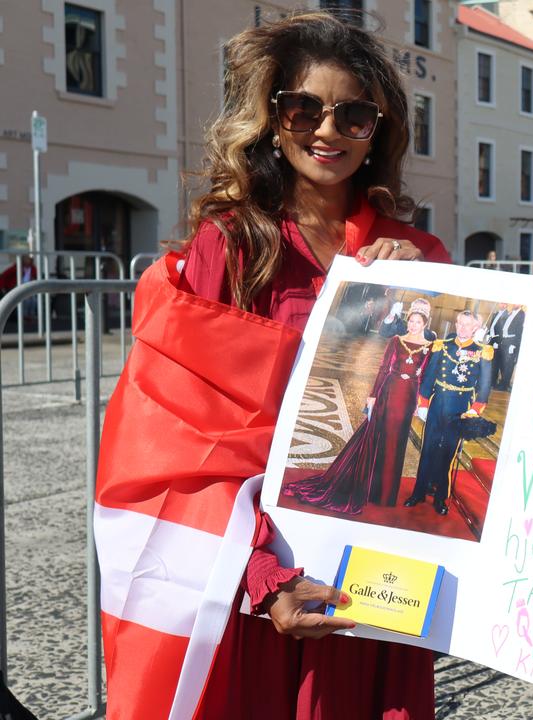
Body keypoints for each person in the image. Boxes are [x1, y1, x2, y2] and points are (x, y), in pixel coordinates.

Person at [94, 12, 452, 719]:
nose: (327, 130)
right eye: (303, 108)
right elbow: (180, 432)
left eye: (353, 114)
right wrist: (263, 574)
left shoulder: (419, 254)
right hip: (258, 576)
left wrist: (429, 291)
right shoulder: (228, 246)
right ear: (272, 118)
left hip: (378, 581)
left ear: (377, 130)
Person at [285, 299, 434, 513]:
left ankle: (385, 495)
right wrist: (373, 396)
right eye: (411, 321)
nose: (413, 325)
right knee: (379, 437)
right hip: (388, 392)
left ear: (424, 324)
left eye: (417, 322)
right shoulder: (396, 340)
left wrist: (421, 402)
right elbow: (384, 369)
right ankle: (369, 487)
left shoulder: (429, 348)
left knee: (396, 442)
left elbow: (425, 376)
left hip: (408, 397)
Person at [405, 309, 494, 515]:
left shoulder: (482, 351)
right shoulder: (442, 346)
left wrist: (475, 409)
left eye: (467, 325)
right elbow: (428, 377)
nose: (462, 328)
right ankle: (418, 492)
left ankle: (440, 498)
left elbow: (485, 386)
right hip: (437, 405)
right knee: (427, 449)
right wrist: (424, 403)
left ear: (475, 328)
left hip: (460, 409)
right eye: (459, 324)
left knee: (448, 453)